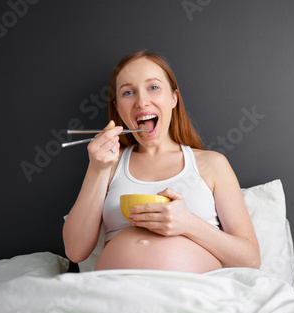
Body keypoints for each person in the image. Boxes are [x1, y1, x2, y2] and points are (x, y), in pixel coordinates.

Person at [63, 50, 260, 273]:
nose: (141, 101)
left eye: (153, 87)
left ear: (174, 98)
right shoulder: (108, 164)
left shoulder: (213, 164)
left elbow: (250, 259)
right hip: (116, 296)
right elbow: (75, 251)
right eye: (128, 92)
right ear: (118, 107)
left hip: (194, 297)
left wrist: (188, 224)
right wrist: (97, 169)